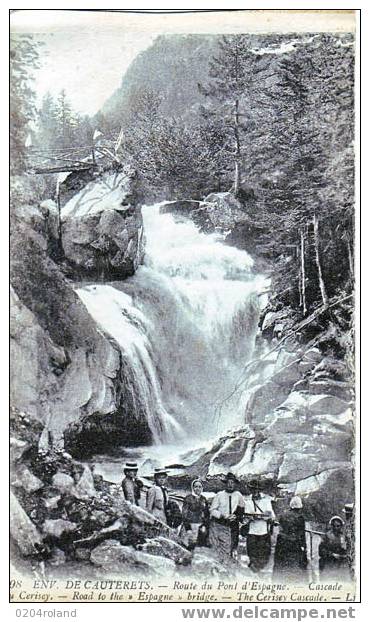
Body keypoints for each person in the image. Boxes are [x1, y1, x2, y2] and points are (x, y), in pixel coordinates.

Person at [209, 472, 245, 563]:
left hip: (233, 525)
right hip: (220, 524)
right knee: (219, 547)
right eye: (228, 482)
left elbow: (241, 510)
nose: (230, 485)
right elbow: (212, 510)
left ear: (235, 484)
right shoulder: (220, 495)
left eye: (232, 483)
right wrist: (222, 515)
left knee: (232, 546)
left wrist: (236, 516)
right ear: (225, 484)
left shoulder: (238, 495)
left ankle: (230, 565)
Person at [273, 496, 307, 583]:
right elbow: (301, 534)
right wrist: (304, 547)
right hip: (294, 543)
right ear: (299, 507)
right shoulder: (300, 518)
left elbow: (281, 528)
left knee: (281, 564)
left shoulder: (283, 515)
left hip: (282, 542)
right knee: (294, 565)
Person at [244, 479, 275, 572]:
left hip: (263, 532)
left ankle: (259, 571)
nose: (255, 492)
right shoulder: (247, 502)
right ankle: (254, 571)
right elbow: (245, 518)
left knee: (263, 554)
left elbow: (272, 516)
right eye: (253, 490)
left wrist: (266, 517)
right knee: (252, 553)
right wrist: (249, 518)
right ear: (251, 490)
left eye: (257, 490)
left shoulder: (266, 501)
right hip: (252, 531)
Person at [180, 479, 210, 550]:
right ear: (193, 488)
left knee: (197, 547)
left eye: (200, 487)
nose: (198, 488)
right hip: (189, 526)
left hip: (199, 527)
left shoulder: (204, 499)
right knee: (187, 547)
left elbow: (207, 514)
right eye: (196, 486)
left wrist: (204, 525)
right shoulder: (188, 498)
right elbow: (184, 514)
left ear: (202, 488)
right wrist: (188, 528)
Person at [319, 516, 350, 582]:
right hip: (328, 564)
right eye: (334, 526)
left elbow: (348, 549)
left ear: (341, 526)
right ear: (332, 526)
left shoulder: (344, 537)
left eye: (338, 526)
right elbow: (321, 550)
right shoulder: (326, 536)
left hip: (340, 565)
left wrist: (345, 554)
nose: (336, 528)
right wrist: (332, 554)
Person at [343, 503, 355, 579]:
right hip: (348, 549)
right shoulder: (348, 524)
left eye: (347, 514)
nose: (346, 515)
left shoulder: (354, 524)